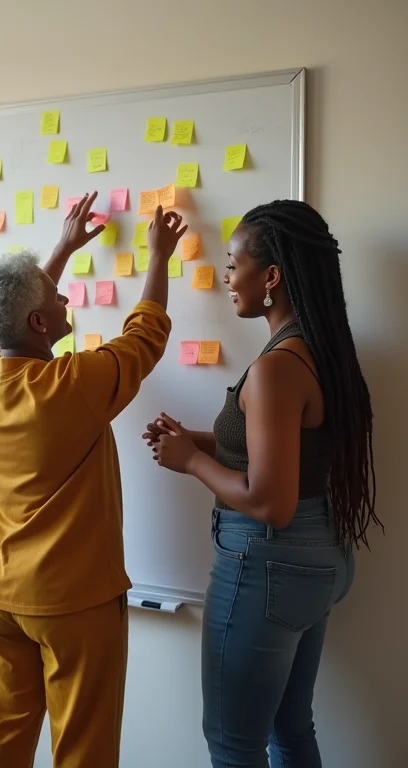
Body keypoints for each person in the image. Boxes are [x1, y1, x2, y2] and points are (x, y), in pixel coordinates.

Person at [143, 200, 381, 768]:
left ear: (270, 276)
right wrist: (199, 441)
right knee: (290, 729)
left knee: (233, 745)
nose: (227, 278)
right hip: (319, 555)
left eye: (232, 263)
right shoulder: (320, 348)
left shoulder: (277, 366)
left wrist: (190, 463)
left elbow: (270, 502)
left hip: (268, 561)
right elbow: (278, 451)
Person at [0, 193, 187, 768]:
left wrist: (63, 246)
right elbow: (145, 335)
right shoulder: (72, 385)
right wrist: (158, 255)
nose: (64, 297)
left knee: (1, 739)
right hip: (72, 602)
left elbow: (9, 315)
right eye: (54, 298)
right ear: (40, 322)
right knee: (83, 746)